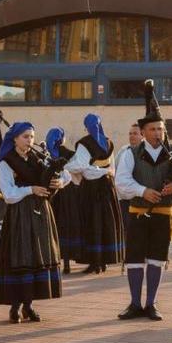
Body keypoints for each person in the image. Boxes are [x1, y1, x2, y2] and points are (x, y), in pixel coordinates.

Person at [115, 80, 172, 321]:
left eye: (160, 129)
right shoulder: (130, 153)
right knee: (134, 259)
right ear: (142, 132)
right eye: (152, 129)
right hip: (138, 211)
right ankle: (134, 303)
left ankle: (151, 303)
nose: (157, 134)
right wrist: (143, 191)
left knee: (157, 258)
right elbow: (121, 181)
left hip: (163, 213)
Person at [0, 122, 70, 323]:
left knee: (37, 258)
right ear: (14, 139)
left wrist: (59, 182)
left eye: (31, 137)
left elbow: (66, 173)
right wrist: (31, 189)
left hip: (41, 212)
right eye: (25, 137)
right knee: (21, 257)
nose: (29, 141)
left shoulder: (38, 158)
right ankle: (15, 306)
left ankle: (28, 306)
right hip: (20, 214)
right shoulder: (7, 162)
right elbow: (9, 194)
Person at [64, 114, 125, 274]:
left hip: (91, 189)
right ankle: (103, 260)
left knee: (92, 222)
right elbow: (111, 168)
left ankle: (94, 261)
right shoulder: (109, 142)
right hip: (107, 186)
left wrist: (65, 166)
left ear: (86, 127)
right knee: (105, 222)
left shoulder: (85, 143)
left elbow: (81, 166)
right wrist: (105, 171)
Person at [46, 127, 84, 274]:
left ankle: (56, 260)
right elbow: (79, 169)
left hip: (53, 193)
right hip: (68, 194)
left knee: (56, 225)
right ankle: (66, 262)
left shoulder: (46, 153)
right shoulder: (68, 153)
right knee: (68, 226)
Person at [116, 124, 144, 235]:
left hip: (141, 198)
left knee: (139, 230)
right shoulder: (123, 150)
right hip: (124, 198)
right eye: (130, 133)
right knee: (125, 229)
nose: (132, 136)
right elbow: (115, 170)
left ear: (143, 135)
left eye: (135, 133)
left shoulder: (146, 152)